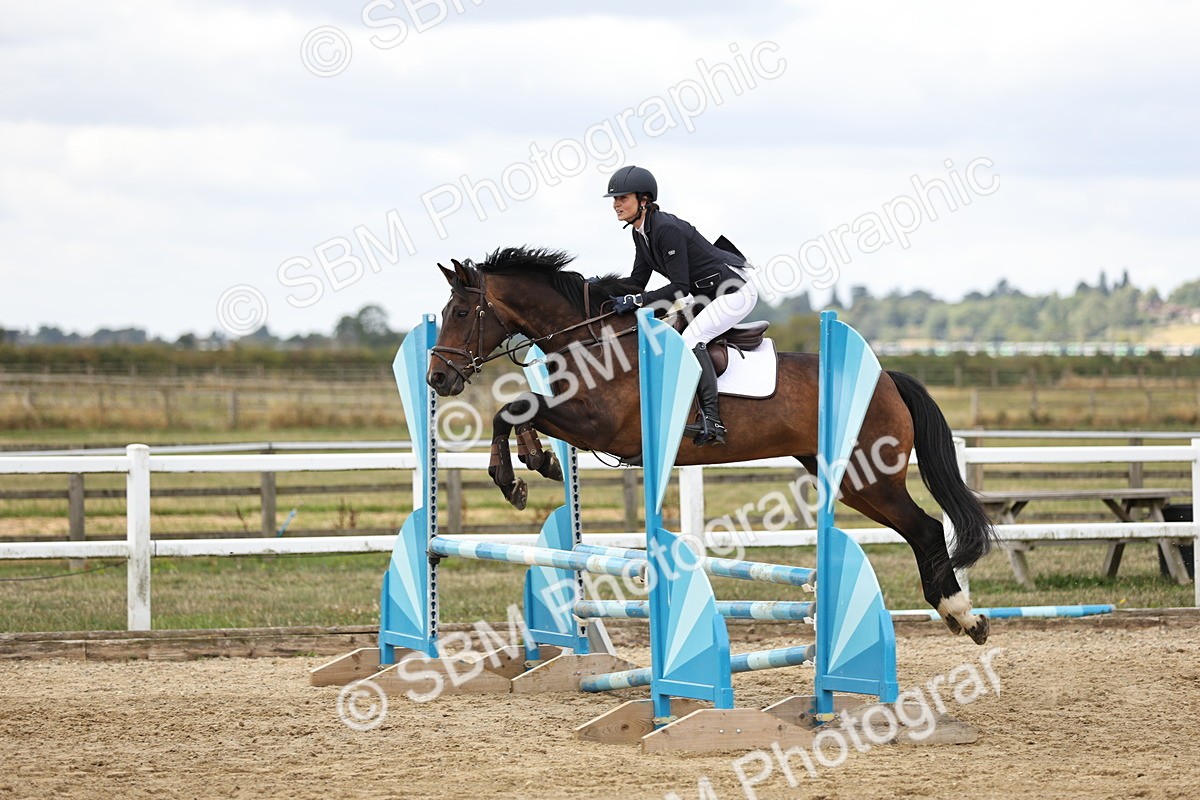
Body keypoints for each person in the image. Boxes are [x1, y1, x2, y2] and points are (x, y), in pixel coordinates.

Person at [603, 165, 759, 446]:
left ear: (644, 200)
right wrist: (601, 291)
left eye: (622, 198)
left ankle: (712, 421)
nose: (616, 204)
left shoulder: (666, 229)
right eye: (614, 199)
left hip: (734, 293)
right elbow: (638, 280)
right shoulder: (640, 232)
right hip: (707, 295)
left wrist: (636, 301)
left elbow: (679, 288)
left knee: (691, 339)